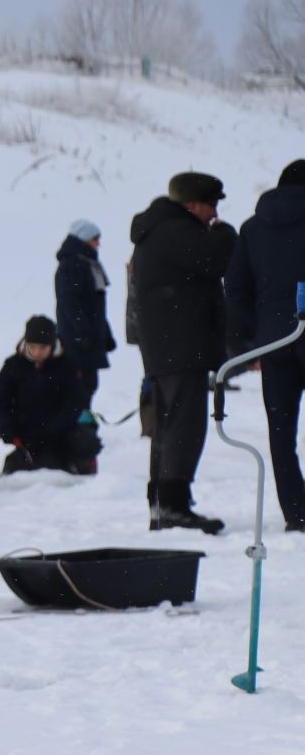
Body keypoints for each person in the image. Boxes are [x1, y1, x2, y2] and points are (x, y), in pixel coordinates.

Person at [130, 171, 238, 534]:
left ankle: (165, 503)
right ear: (192, 204)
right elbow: (215, 258)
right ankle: (172, 506)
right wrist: (225, 232)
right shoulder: (174, 231)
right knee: (183, 426)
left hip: (168, 346)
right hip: (180, 347)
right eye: (211, 205)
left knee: (169, 426)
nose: (214, 214)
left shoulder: (159, 230)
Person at [225, 159, 305, 531]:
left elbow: (236, 289)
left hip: (274, 344)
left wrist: (249, 341)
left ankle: (296, 511)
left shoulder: (253, 228)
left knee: (281, 430)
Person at [0, 316, 99, 475]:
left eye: (42, 348)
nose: (37, 352)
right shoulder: (13, 365)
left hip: (58, 431)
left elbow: (74, 403)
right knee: (30, 465)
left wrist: (53, 429)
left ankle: (82, 466)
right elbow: (0, 402)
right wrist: (7, 427)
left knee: (85, 443)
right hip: (25, 431)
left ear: (52, 345)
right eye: (32, 347)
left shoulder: (67, 364)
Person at [54, 219, 118, 400]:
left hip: (86, 338)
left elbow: (95, 306)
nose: (98, 243)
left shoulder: (87, 263)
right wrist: (84, 332)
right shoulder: (72, 264)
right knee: (78, 387)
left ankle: (83, 424)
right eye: (95, 238)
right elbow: (70, 303)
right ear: (83, 238)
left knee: (88, 385)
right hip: (78, 341)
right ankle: (78, 425)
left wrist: (105, 335)